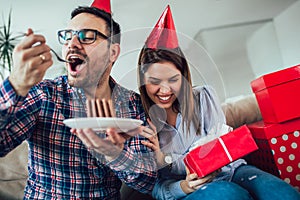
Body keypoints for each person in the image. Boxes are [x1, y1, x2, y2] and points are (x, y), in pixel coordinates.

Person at [137, 5, 300, 200]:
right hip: (189, 190)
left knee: (285, 195)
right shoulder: (140, 121)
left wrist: (167, 160)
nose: (165, 91)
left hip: (232, 171)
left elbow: (217, 152)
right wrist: (184, 186)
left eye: (173, 80)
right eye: (155, 82)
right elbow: (155, 188)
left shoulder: (204, 97)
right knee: (227, 194)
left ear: (184, 77)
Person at [0, 0, 156, 199]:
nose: (72, 44)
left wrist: (115, 156)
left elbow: (149, 182)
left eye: (87, 36)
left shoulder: (133, 106)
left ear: (112, 52)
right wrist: (15, 85)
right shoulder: (44, 94)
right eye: (68, 37)